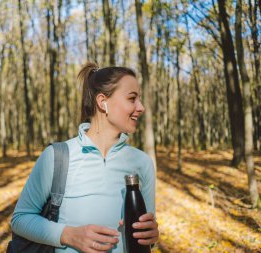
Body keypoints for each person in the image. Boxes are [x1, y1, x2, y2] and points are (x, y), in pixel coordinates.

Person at [11, 62, 159, 252]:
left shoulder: (142, 162)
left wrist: (151, 235)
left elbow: (145, 235)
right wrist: (67, 235)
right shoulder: (57, 157)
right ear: (102, 102)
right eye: (132, 99)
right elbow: (20, 219)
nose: (141, 107)